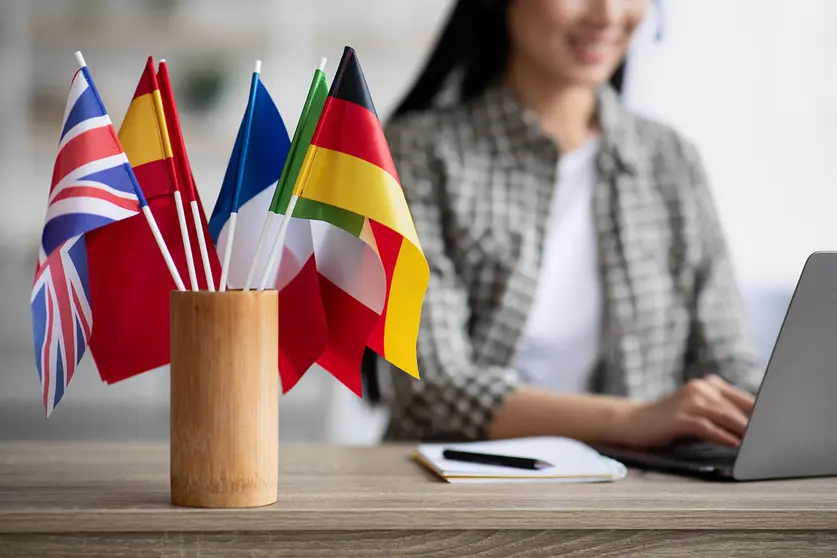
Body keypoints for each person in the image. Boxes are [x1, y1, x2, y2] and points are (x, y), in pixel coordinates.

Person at [377, 0, 764, 449]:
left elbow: (730, 362)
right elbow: (432, 388)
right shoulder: (419, 152)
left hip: (646, 490)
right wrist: (636, 419)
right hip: (460, 485)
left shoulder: (672, 159)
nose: (608, 13)